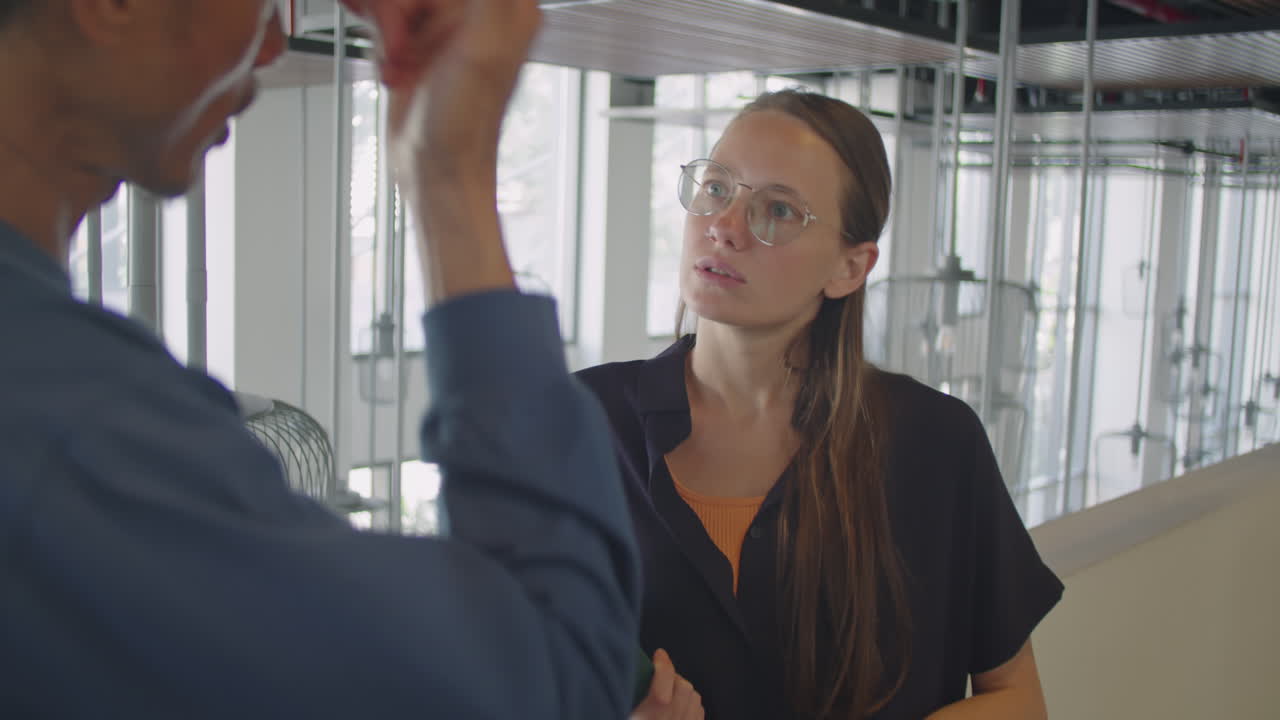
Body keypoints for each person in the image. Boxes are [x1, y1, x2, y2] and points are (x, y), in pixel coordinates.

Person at [0, 0, 639, 717]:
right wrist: (450, 177)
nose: (275, 42)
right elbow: (557, 680)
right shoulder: (68, 422)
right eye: (265, 3)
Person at [578, 89, 1064, 720]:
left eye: (778, 210)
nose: (725, 226)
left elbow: (1017, 699)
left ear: (850, 268)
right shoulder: (581, 424)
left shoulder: (935, 442)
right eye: (717, 188)